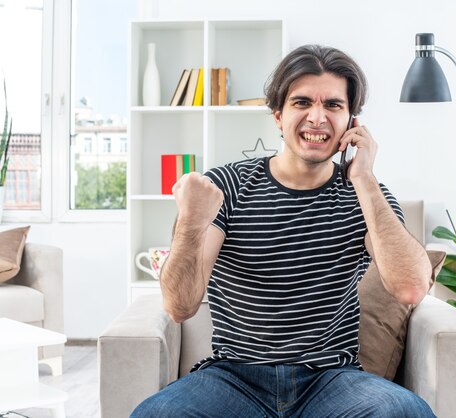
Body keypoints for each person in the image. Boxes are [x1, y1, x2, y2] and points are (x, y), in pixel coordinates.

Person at [131, 44, 435, 418]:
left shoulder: (365, 194)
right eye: (302, 103)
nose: (317, 117)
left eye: (334, 106)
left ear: (352, 122)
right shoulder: (226, 187)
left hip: (332, 380)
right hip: (233, 378)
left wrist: (365, 178)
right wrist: (191, 224)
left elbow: (411, 287)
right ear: (278, 115)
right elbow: (179, 307)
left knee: (403, 412)